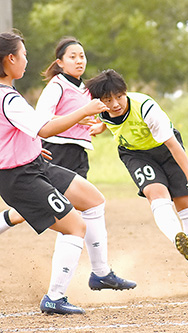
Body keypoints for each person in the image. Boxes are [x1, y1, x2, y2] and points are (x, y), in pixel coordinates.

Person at [0, 31, 127, 315]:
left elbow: (23, 132)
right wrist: (85, 111)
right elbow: (44, 127)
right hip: (20, 177)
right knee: (75, 227)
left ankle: (100, 273)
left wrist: (29, 146)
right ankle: (54, 298)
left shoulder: (8, 94)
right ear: (10, 59)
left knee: (93, 200)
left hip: (35, 164)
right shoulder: (8, 98)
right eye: (23, 54)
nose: (26, 60)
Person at [86, 69, 188, 297]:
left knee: (186, 204)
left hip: (166, 150)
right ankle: (176, 237)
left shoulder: (146, 108)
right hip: (135, 154)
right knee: (156, 192)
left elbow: (173, 146)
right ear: (99, 101)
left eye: (119, 97)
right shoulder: (101, 110)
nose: (114, 104)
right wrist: (100, 127)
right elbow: (106, 118)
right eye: (107, 100)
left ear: (125, 92)